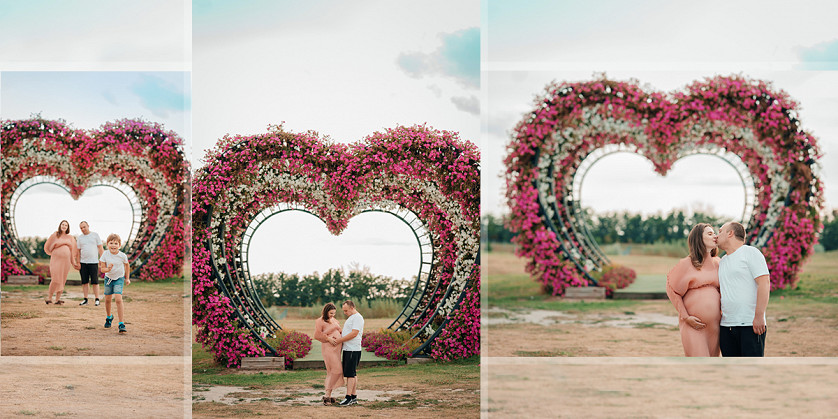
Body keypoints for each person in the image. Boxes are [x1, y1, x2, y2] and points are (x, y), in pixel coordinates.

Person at [666, 223, 721, 357]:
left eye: (714, 233)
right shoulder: (686, 263)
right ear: (699, 239)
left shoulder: (718, 263)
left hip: (716, 326)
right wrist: (686, 317)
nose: (715, 236)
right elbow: (673, 291)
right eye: (709, 234)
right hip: (693, 325)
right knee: (699, 363)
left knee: (711, 366)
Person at [716, 221, 770, 357]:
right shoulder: (722, 262)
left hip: (750, 324)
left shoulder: (751, 253)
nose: (717, 235)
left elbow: (764, 283)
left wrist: (758, 316)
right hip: (726, 327)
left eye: (720, 231)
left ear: (730, 233)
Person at [330, 300, 364, 406]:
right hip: (348, 349)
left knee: (350, 374)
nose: (345, 313)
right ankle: (353, 397)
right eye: (343, 311)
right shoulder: (351, 318)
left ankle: (348, 397)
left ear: (352, 308)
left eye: (346, 310)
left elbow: (354, 333)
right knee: (352, 373)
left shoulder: (358, 317)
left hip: (352, 349)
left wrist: (340, 340)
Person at [99, 233, 130, 333]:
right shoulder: (105, 254)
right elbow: (102, 269)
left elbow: (127, 266)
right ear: (107, 244)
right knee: (108, 300)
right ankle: (109, 317)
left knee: (118, 299)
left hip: (119, 279)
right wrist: (108, 269)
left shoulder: (122, 256)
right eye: (111, 243)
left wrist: (127, 278)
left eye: (116, 243)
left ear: (119, 245)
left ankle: (121, 323)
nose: (113, 245)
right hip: (108, 279)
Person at [43, 220, 80, 305]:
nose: (64, 226)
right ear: (60, 225)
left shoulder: (70, 238)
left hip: (66, 262)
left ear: (68, 227)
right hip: (56, 260)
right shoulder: (55, 235)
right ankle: (49, 298)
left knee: (62, 279)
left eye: (66, 225)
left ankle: (57, 299)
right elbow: (48, 246)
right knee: (55, 278)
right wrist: (57, 244)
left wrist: (73, 262)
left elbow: (72, 252)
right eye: (63, 224)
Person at [314, 303, 344, 405]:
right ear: (326, 311)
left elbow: (340, 331)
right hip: (328, 348)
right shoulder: (320, 321)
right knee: (337, 370)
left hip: (337, 349)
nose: (332, 315)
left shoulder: (335, 320)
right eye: (331, 313)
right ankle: (327, 395)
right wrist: (328, 338)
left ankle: (328, 396)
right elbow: (317, 335)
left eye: (334, 313)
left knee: (331, 372)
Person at [76, 221, 104, 306]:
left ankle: (97, 299)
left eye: (84, 227)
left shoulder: (95, 235)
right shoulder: (80, 238)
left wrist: (102, 259)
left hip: (94, 262)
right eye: (81, 228)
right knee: (84, 282)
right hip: (83, 263)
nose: (83, 229)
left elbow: (100, 248)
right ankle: (85, 299)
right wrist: (78, 262)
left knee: (95, 281)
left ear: (88, 226)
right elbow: (78, 251)